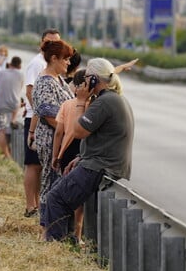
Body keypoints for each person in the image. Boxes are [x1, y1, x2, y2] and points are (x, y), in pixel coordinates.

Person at [43, 58, 135, 242]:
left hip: (100, 167)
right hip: (102, 163)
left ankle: (56, 247)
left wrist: (80, 101)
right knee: (60, 195)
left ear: (94, 79)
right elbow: (100, 138)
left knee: (55, 198)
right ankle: (68, 241)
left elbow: (77, 131)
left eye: (86, 79)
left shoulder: (104, 102)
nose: (83, 83)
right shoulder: (113, 99)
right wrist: (81, 157)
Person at [23, 28, 61, 218]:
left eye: (56, 43)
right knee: (33, 165)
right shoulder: (37, 64)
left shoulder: (50, 64)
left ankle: (38, 204)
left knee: (42, 166)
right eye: (48, 42)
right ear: (41, 44)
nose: (52, 46)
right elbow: (30, 92)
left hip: (42, 119)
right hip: (35, 120)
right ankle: (31, 206)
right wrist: (40, 115)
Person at [51, 69, 88, 243]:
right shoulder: (92, 105)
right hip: (83, 148)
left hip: (67, 149)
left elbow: (59, 132)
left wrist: (55, 155)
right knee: (80, 194)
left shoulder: (66, 105)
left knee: (66, 190)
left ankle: (65, 229)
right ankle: (78, 234)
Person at [0, 56, 24, 159]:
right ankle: (13, 120)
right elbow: (19, 89)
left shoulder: (0, 73)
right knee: (11, 126)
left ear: (9, 64)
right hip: (14, 106)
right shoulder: (21, 74)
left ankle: (7, 155)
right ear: (19, 66)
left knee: (1, 130)